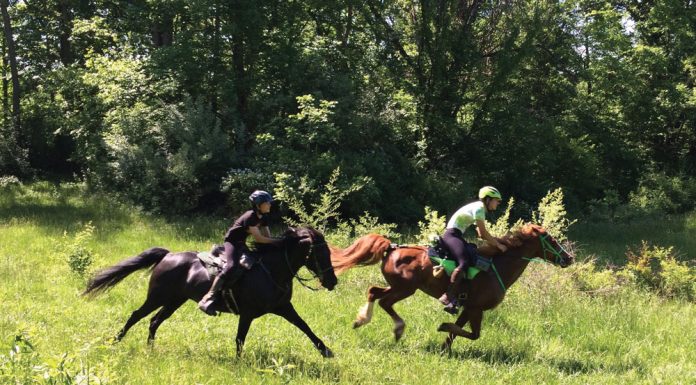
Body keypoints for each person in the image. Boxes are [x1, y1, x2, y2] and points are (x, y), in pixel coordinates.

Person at [198, 190, 279, 315]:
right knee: (231, 266)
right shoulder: (250, 216)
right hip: (232, 242)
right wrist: (279, 241)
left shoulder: (264, 217)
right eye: (267, 203)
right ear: (258, 205)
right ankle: (208, 297)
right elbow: (260, 239)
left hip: (241, 243)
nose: (270, 205)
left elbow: (268, 237)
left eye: (269, 202)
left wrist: (278, 242)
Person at [438, 186, 508, 314]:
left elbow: (479, 233)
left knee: (473, 258)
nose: (498, 203)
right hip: (452, 235)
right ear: (488, 199)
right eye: (496, 200)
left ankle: (458, 300)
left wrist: (495, 240)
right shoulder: (480, 207)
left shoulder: (479, 208)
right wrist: (498, 245)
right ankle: (448, 296)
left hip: (457, 235)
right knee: (464, 262)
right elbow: (482, 233)